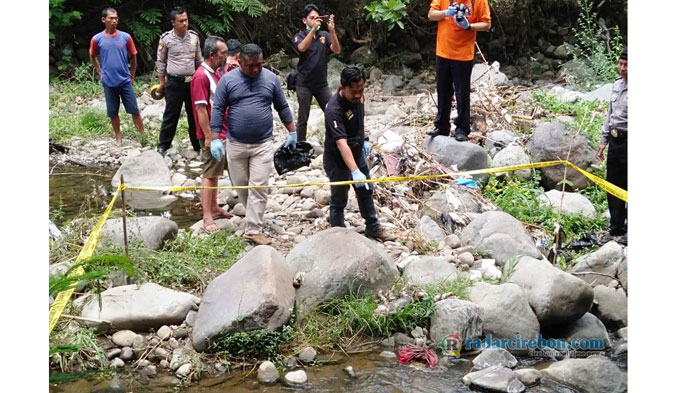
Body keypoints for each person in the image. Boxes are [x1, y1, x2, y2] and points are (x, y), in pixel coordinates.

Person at [210, 44, 297, 245]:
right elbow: (218, 109)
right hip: (236, 144)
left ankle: (253, 229)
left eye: (259, 65)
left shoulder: (270, 79)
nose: (256, 69)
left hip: (262, 144)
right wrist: (215, 138)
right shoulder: (228, 81)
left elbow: (281, 106)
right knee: (241, 186)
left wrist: (292, 132)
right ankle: (253, 218)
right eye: (251, 66)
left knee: (258, 186)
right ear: (240, 62)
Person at [323, 66, 395, 242]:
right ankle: (338, 235)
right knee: (339, 198)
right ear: (342, 86)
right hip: (337, 160)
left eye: (360, 90)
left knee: (365, 190)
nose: (357, 95)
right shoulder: (334, 109)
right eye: (353, 91)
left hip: (356, 152)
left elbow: (359, 121)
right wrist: (354, 171)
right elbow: (341, 143)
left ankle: (373, 227)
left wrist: (364, 140)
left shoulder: (359, 99)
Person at [427, 0, 491, 141]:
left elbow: (487, 24)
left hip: (463, 55)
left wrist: (469, 27)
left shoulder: (479, 1)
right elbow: (431, 15)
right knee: (443, 90)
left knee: (462, 93)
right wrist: (446, 13)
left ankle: (462, 128)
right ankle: (441, 126)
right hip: (443, 51)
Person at [190, 36, 232, 232]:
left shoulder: (215, 72)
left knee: (215, 171)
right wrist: (208, 136)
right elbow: (200, 109)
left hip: (221, 131)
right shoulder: (200, 76)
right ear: (212, 55)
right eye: (223, 53)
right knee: (209, 172)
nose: (226, 56)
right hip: (211, 134)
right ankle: (207, 216)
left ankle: (214, 208)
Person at [89, 7, 144, 145]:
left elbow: (133, 56)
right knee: (113, 112)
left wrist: (132, 76)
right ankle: (118, 137)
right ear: (103, 20)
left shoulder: (125, 37)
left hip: (125, 80)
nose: (114, 21)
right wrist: (100, 73)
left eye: (116, 18)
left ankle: (142, 135)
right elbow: (92, 56)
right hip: (108, 82)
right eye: (111, 18)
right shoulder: (97, 39)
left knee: (134, 110)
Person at [155, 6, 203, 156]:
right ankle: (163, 144)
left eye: (186, 20)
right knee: (171, 115)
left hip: (192, 82)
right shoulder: (166, 39)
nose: (185, 23)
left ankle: (197, 145)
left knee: (194, 115)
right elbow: (161, 62)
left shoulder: (194, 37)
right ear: (173, 22)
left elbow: (199, 61)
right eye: (181, 21)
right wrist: (162, 83)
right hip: (174, 82)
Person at [293, 3, 341, 142]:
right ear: (304, 20)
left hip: (321, 84)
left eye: (317, 17)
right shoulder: (300, 36)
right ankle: (300, 145)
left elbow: (336, 50)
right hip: (304, 84)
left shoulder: (324, 35)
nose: (315, 20)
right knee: (303, 117)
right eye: (311, 17)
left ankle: (336, 140)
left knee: (332, 111)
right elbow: (302, 48)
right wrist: (313, 30)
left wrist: (332, 31)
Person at [597, 47, 628, 242]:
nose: (623, 68)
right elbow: (610, 114)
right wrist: (603, 140)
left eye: (627, 65)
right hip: (616, 141)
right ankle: (616, 226)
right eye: (621, 64)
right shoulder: (617, 85)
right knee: (613, 183)